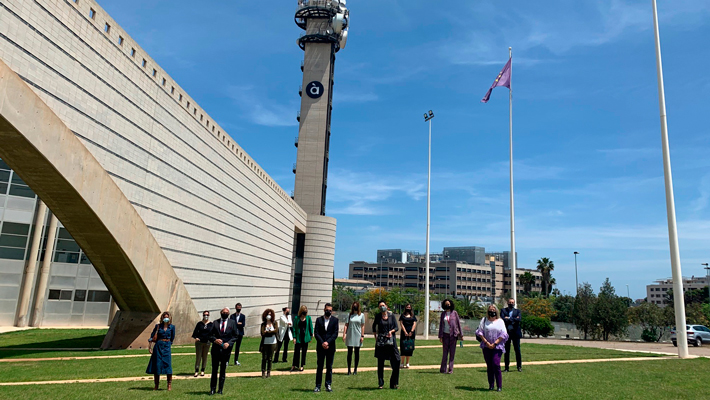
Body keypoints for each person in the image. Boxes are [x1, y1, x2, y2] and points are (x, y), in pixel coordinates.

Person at [475, 305, 509, 392]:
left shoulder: (500, 321)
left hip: (497, 346)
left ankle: (499, 386)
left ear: (496, 311)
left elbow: (504, 334)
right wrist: (486, 342)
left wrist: (495, 343)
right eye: (490, 310)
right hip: (486, 346)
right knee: (489, 366)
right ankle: (491, 385)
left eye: (493, 310)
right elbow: (480, 332)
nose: (492, 311)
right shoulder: (484, 320)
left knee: (496, 364)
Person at [209, 307, 238, 395]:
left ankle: (220, 389)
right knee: (214, 370)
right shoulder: (215, 322)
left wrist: (229, 343)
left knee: (223, 370)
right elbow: (210, 335)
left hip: (226, 350)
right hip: (216, 350)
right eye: (223, 312)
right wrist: (215, 340)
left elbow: (235, 336)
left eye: (226, 312)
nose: (225, 313)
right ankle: (212, 389)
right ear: (221, 313)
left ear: (228, 314)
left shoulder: (232, 323)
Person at [372, 300, 400, 389]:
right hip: (381, 342)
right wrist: (376, 337)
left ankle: (393, 383)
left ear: (386, 306)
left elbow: (396, 327)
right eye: (380, 306)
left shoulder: (391, 316)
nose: (382, 307)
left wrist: (391, 332)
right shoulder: (378, 316)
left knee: (397, 360)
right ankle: (381, 383)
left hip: (391, 341)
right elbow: (374, 327)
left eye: (383, 305)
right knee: (380, 363)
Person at [146, 311, 175, 391]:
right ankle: (156, 385)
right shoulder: (158, 326)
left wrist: (168, 343)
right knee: (157, 365)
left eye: (167, 317)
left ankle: (169, 384)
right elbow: (152, 336)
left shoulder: (172, 327)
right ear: (162, 318)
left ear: (169, 318)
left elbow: (172, 338)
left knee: (168, 365)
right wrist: (150, 341)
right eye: (164, 317)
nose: (166, 318)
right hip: (158, 346)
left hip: (167, 346)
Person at [313, 303, 338, 392]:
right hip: (320, 347)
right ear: (324, 310)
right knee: (320, 367)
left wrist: (328, 342)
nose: (329, 312)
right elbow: (316, 333)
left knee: (329, 367)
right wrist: (322, 342)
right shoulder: (319, 320)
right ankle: (317, 386)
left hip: (330, 347)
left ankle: (328, 385)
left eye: (330, 310)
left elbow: (335, 333)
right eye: (327, 310)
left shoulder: (335, 320)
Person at [438, 298, 462, 374]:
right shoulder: (443, 314)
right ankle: (443, 369)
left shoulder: (454, 313)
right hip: (445, 335)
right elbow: (441, 325)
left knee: (452, 353)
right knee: (445, 353)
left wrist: (461, 334)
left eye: (448, 304)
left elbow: (458, 324)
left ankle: (450, 369)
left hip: (453, 335)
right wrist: (440, 336)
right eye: (446, 304)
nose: (447, 305)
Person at [501, 298, 522, 372]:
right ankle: (506, 367)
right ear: (507, 303)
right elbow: (503, 319)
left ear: (514, 303)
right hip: (507, 333)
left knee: (517, 350)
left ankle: (519, 367)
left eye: (512, 302)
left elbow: (519, 320)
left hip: (516, 333)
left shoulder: (518, 311)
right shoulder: (503, 310)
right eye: (510, 302)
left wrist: (509, 318)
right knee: (506, 351)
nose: (511, 303)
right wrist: (514, 319)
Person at [343, 301, 364, 375]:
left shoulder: (361, 315)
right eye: (353, 305)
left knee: (357, 353)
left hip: (358, 335)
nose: (354, 307)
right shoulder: (349, 315)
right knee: (349, 353)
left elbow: (362, 326)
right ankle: (349, 370)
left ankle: (355, 369)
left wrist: (362, 335)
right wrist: (344, 334)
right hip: (350, 334)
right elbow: (346, 325)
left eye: (356, 306)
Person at [291, 305, 313, 372]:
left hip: (305, 337)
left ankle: (302, 365)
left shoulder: (308, 318)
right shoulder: (297, 318)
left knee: (304, 352)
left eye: (305, 311)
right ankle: (294, 365)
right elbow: (294, 328)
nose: (304, 312)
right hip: (298, 337)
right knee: (296, 352)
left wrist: (311, 335)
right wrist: (294, 337)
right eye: (303, 311)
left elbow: (310, 327)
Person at [192, 310, 213, 377]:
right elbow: (195, 333)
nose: (206, 316)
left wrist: (211, 339)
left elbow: (212, 334)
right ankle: (196, 370)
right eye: (204, 315)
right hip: (199, 343)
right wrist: (196, 338)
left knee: (205, 357)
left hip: (207, 342)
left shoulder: (211, 324)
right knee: (198, 357)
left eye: (207, 315)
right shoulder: (199, 324)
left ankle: (203, 370)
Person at [260, 308, 279, 378]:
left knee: (270, 358)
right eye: (268, 314)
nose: (269, 316)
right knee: (264, 358)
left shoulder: (274, 323)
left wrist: (267, 332)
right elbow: (262, 333)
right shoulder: (263, 324)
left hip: (273, 342)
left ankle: (268, 372)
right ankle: (263, 371)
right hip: (265, 342)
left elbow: (276, 331)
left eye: (270, 314)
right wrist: (271, 332)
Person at [399, 303, 417, 369]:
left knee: (409, 348)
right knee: (403, 347)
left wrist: (411, 331)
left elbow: (414, 323)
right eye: (407, 307)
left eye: (409, 307)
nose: (408, 308)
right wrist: (405, 332)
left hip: (411, 334)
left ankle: (407, 363)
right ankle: (402, 363)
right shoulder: (402, 316)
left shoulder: (413, 316)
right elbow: (401, 324)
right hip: (404, 334)